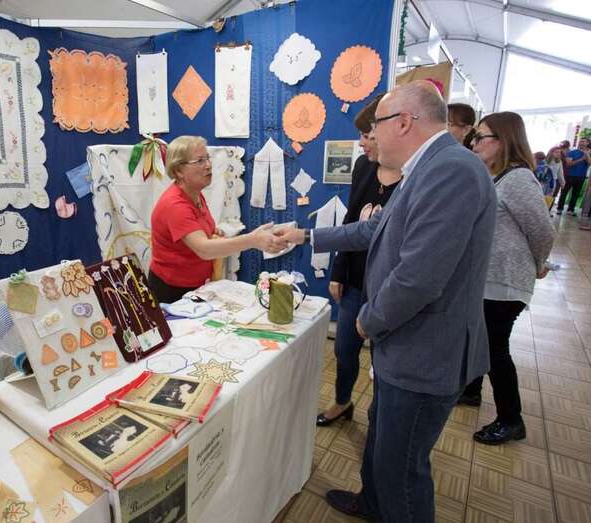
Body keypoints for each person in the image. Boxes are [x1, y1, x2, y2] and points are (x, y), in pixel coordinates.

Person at [277, 81, 496, 522]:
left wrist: (366, 322)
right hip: (405, 349)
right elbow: (374, 230)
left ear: (404, 122)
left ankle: (387, 506)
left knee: (402, 472)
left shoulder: (451, 171)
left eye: (375, 125)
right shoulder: (428, 167)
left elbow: (419, 278)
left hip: (424, 354)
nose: (371, 136)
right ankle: (372, 503)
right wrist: (305, 235)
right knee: (382, 442)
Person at [457, 112, 555, 445]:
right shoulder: (495, 177)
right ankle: (472, 390)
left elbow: (543, 231)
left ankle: (511, 419)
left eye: (480, 137)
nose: (474, 144)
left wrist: (539, 263)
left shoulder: (518, 179)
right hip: (487, 280)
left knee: (495, 349)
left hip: (505, 282)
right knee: (478, 337)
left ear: (503, 140)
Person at [316, 94, 403, 428]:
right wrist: (338, 271)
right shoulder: (364, 167)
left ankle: (380, 417)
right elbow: (352, 222)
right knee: (344, 349)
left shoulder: (414, 178)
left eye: (367, 136)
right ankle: (342, 402)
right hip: (355, 280)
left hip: (389, 287)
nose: (362, 143)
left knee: (384, 361)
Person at [149, 136, 285, 303]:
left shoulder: (195, 194)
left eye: (207, 158)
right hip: (172, 291)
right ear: (179, 171)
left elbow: (197, 233)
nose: (208, 165)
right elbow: (204, 250)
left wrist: (212, 233)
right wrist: (253, 240)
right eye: (200, 161)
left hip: (196, 286)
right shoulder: (175, 205)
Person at [556, 137, 590, 215]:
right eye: (580, 141)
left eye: (584, 141)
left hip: (581, 177)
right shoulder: (572, 152)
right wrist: (582, 159)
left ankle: (570, 210)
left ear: (588, 143)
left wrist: (587, 154)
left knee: (575, 194)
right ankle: (559, 209)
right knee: (564, 193)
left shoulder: (588, 154)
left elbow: (590, 163)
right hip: (569, 176)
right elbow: (568, 164)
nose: (581, 143)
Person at [546, 146, 566, 213]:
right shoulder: (545, 160)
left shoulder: (559, 162)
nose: (558, 154)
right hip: (544, 181)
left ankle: (547, 212)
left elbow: (560, 173)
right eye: (556, 152)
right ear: (551, 152)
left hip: (553, 182)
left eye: (559, 152)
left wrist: (562, 183)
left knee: (551, 197)